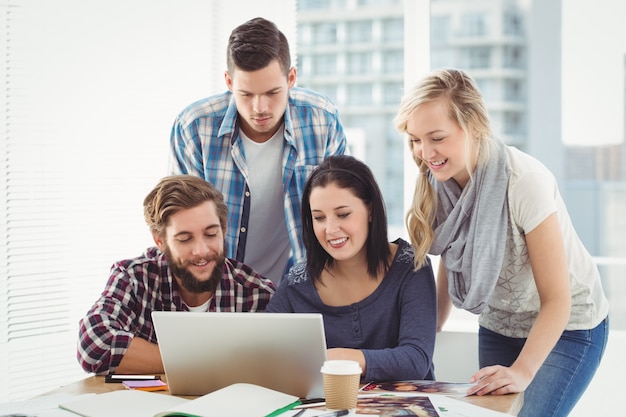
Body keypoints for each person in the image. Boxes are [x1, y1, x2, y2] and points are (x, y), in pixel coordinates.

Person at [394, 68, 610, 417]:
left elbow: (557, 300)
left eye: (436, 137)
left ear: (474, 126)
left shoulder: (524, 182)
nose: (424, 152)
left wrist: (523, 371)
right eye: (416, 139)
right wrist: (426, 333)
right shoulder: (441, 184)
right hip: (501, 322)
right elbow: (455, 257)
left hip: (569, 324)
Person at [169, 17, 347, 285]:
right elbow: (181, 224)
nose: (260, 107)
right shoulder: (194, 129)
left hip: (301, 286)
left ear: (291, 78)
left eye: (272, 92)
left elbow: (344, 208)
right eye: (247, 95)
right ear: (229, 82)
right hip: (219, 287)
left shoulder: (322, 121)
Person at [77, 175, 275, 375]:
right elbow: (93, 344)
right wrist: (203, 364)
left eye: (210, 234)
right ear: (160, 240)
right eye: (185, 239)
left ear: (223, 229)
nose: (201, 251)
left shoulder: (256, 294)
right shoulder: (135, 278)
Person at [266, 155, 437, 382]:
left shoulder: (411, 267)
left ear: (371, 211)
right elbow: (267, 354)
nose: (330, 229)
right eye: (319, 218)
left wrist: (339, 358)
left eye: (343, 214)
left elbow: (415, 360)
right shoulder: (297, 283)